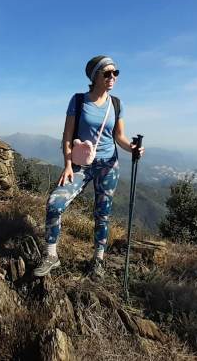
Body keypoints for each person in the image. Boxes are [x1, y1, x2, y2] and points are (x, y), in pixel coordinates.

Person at [33, 55, 145, 279]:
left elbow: (119, 136)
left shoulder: (116, 104)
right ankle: (51, 255)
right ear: (95, 77)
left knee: (103, 214)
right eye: (107, 73)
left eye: (115, 73)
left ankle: (98, 260)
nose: (112, 77)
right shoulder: (78, 101)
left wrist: (131, 148)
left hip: (108, 165)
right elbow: (67, 135)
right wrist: (67, 165)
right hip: (81, 164)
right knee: (55, 203)